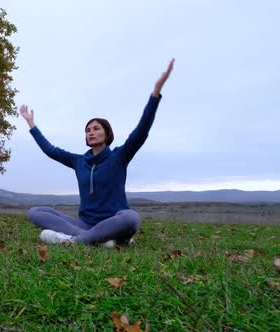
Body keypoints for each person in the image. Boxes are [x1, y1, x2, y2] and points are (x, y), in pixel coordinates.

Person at [20, 58, 175, 247]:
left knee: (131, 217)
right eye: (88, 130)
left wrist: (155, 95)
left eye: (96, 128)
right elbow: (50, 150)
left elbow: (140, 132)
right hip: (85, 224)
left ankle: (76, 241)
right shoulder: (78, 162)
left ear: (107, 133)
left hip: (114, 220)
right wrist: (31, 124)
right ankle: (102, 240)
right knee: (35, 212)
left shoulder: (119, 156)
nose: (91, 132)